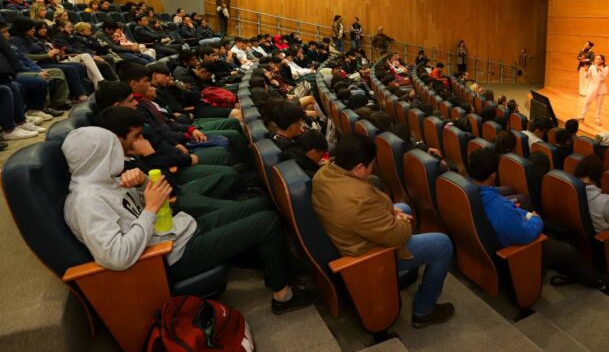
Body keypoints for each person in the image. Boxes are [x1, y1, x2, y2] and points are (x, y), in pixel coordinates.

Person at [61, 126, 320, 315]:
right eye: (112, 150)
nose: (121, 153)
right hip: (172, 255)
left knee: (261, 204)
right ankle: (283, 295)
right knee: (265, 222)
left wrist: (142, 186)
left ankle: (276, 268)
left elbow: (149, 201)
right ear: (99, 156)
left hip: (180, 229)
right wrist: (150, 207)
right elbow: (116, 256)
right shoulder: (86, 202)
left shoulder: (108, 180)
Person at [312, 134, 455, 328]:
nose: (373, 168)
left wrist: (393, 211)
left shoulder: (325, 172)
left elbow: (368, 204)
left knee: (403, 208)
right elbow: (398, 234)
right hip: (369, 255)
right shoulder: (358, 200)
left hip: (351, 232)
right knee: (443, 244)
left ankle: (405, 267)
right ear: (359, 168)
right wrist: (401, 222)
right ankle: (424, 310)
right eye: (371, 165)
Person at [469, 149, 609, 293]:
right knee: (566, 250)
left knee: (539, 218)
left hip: (489, 238)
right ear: (493, 175)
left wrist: (525, 214)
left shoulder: (469, 190)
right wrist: (536, 219)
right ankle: (599, 282)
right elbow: (525, 234)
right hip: (514, 248)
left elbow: (508, 211)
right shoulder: (496, 204)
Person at [579, 54, 608, 125]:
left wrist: (600, 71)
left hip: (601, 89)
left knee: (598, 106)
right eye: (596, 59)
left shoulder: (606, 68)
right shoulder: (592, 67)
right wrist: (586, 70)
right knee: (587, 102)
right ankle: (582, 116)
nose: (597, 60)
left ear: (602, 60)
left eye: (599, 59)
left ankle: (597, 119)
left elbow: (603, 79)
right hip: (592, 88)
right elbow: (586, 76)